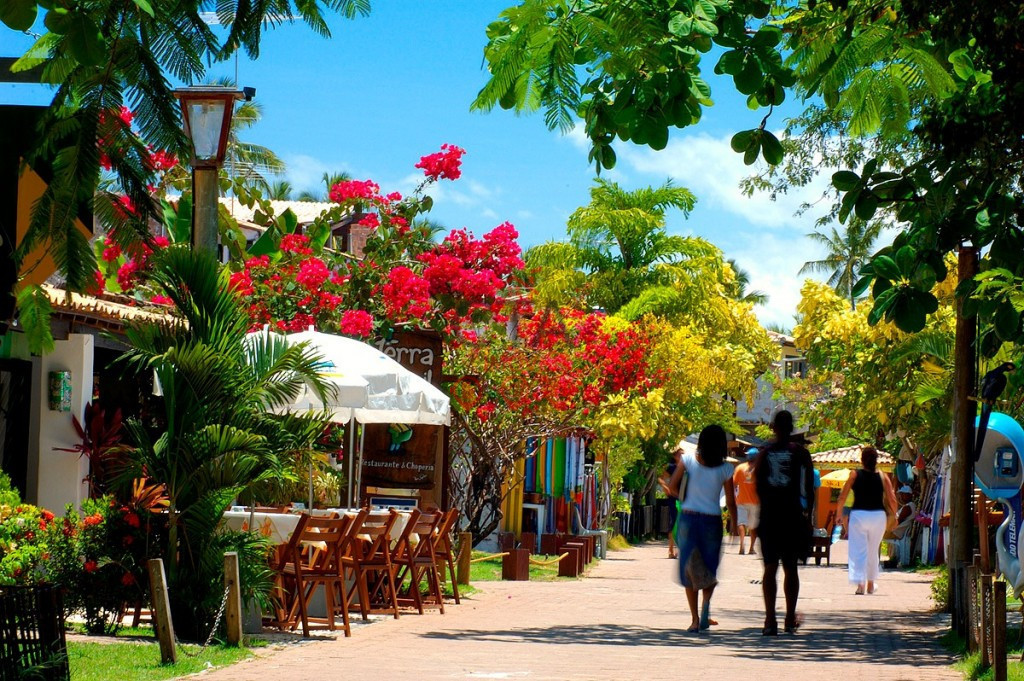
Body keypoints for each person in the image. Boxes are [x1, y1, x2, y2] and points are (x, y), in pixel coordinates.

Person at [666, 425, 737, 633]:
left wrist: (684, 497)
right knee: (709, 568)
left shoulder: (687, 460)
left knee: (689, 568)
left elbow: (672, 487)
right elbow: (731, 501)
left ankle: (695, 620)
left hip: (688, 519)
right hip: (712, 521)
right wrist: (733, 524)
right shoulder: (726, 469)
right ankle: (706, 604)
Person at [755, 410, 815, 635]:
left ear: (773, 428)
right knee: (791, 567)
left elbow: (758, 486)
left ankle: (770, 620)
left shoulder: (764, 453)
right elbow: (809, 488)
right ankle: (789, 618)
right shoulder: (801, 453)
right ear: (792, 428)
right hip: (792, 515)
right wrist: (808, 516)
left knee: (770, 567)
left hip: (770, 516)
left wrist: (762, 513)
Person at [837, 446, 896, 595]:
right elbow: (892, 498)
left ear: (862, 460)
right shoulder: (883, 476)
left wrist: (839, 514)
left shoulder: (854, 474)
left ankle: (860, 585)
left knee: (858, 550)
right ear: (876, 460)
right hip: (878, 517)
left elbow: (842, 496)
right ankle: (870, 584)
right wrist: (895, 516)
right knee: (872, 550)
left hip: (859, 516)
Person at [733, 447, 760, 555]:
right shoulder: (760, 469)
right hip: (755, 502)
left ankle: (742, 545)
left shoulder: (740, 468)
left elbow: (734, 484)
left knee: (741, 523)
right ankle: (751, 548)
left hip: (741, 500)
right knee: (753, 526)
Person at [658, 449, 684, 558]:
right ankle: (670, 550)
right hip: (673, 498)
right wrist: (665, 487)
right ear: (675, 456)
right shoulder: (671, 468)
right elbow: (661, 479)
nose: (682, 456)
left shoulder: (686, 469)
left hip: (685, 499)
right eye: (680, 454)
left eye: (683, 455)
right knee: (673, 523)